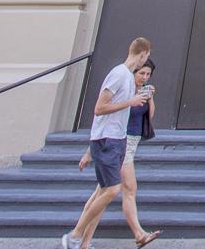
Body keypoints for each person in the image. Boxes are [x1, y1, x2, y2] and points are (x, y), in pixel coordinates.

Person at [62, 37, 152, 249]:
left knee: (104, 191)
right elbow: (99, 108)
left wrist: (140, 98)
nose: (145, 63)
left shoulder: (128, 79)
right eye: (146, 57)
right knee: (111, 190)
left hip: (116, 140)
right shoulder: (119, 74)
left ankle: (81, 243)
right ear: (141, 53)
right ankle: (74, 236)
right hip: (107, 140)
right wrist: (131, 101)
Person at [79, 58, 160, 247]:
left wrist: (150, 97)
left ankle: (81, 240)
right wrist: (89, 152)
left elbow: (150, 116)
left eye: (148, 74)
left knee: (102, 194)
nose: (144, 77)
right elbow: (105, 122)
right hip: (119, 145)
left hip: (129, 145)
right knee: (127, 189)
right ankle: (138, 234)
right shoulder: (123, 91)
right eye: (142, 73)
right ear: (133, 73)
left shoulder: (142, 92)